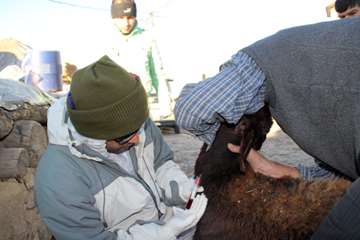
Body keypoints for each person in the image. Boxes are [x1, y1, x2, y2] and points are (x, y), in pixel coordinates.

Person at [174, 17, 360, 239]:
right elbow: (345, 167)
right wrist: (278, 168)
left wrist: (229, 143)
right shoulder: (294, 68)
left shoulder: (266, 61)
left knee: (334, 230)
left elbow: (190, 110)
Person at [35, 56, 207, 240]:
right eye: (125, 136)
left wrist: (182, 189)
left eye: (140, 126)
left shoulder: (133, 121)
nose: (138, 138)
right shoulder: (58, 181)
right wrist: (161, 234)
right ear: (94, 133)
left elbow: (161, 163)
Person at [108, 0, 174, 124]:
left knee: (144, 140)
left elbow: (157, 73)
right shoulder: (106, 40)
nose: (126, 23)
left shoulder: (147, 38)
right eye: (121, 18)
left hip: (142, 105)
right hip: (114, 106)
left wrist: (165, 106)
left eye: (130, 17)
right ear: (113, 18)